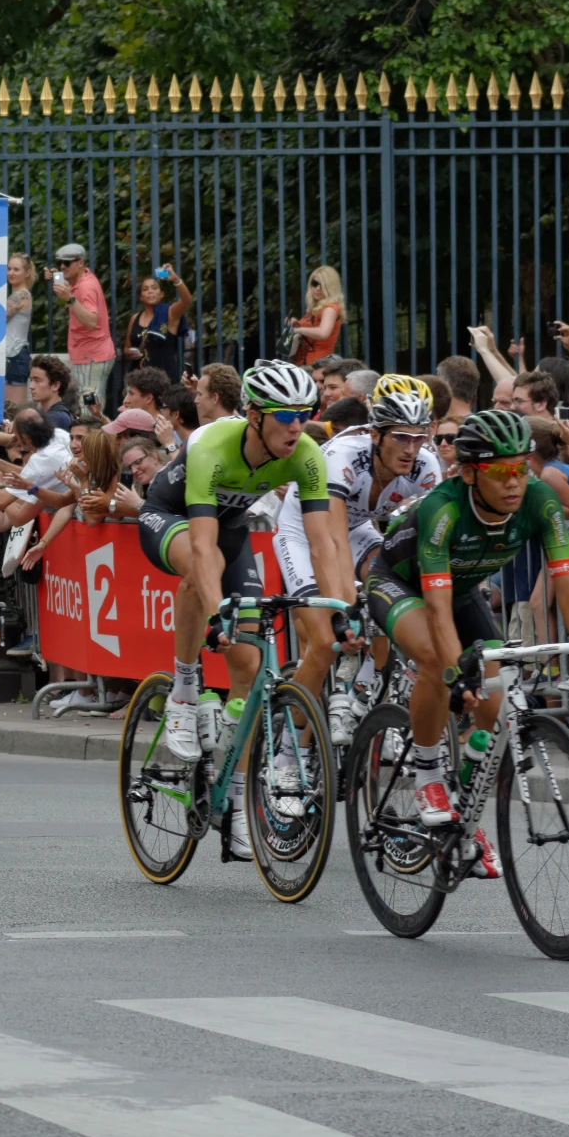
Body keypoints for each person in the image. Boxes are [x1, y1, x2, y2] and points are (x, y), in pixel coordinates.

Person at [363, 409, 569, 866]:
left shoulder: (540, 501)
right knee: (435, 662)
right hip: (401, 585)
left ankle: (465, 793)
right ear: (467, 473)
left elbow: (567, 584)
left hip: (460, 591)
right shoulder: (443, 508)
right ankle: (427, 774)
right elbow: (436, 610)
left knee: (495, 700)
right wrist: (455, 670)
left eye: (521, 468)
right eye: (501, 471)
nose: (515, 482)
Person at [139, 361, 354, 858]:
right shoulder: (212, 445)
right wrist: (217, 616)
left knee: (250, 666)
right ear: (255, 416)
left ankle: (234, 805)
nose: (296, 426)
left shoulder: (306, 453)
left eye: (304, 414)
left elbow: (322, 544)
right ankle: (184, 690)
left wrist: (341, 608)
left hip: (232, 532)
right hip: (170, 518)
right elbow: (201, 542)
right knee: (202, 567)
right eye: (284, 415)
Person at [286, 382, 445, 737]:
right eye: (401, 438)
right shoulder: (343, 455)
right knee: (327, 640)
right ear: (376, 436)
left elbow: (437, 538)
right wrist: (346, 608)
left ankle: (364, 689)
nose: (411, 450)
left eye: (419, 439)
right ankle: (287, 753)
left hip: (356, 528)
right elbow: (332, 542)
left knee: (385, 590)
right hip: (303, 529)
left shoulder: (426, 466)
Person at [48, 244, 115, 408]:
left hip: (91, 354)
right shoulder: (82, 279)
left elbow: (92, 322)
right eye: (60, 263)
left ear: (80, 263)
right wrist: (57, 277)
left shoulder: (86, 287)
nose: (63, 266)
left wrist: (70, 299)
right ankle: (90, 433)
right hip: (91, 353)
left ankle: (90, 434)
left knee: (89, 407)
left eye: (67, 263)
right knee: (90, 403)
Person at [126, 264, 193, 383]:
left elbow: (187, 300)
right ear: (141, 297)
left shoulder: (169, 313)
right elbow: (126, 348)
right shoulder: (135, 318)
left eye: (154, 288)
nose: (150, 292)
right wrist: (131, 353)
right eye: (146, 289)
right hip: (138, 378)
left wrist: (175, 279)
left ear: (161, 294)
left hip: (163, 379)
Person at [291, 266, 347, 365]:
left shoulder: (330, 308)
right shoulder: (317, 308)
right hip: (305, 364)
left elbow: (323, 332)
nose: (318, 288)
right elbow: (311, 330)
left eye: (323, 286)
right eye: (315, 284)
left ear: (331, 288)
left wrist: (299, 330)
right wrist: (297, 323)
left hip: (317, 365)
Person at [3, 253, 37, 391]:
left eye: (16, 269)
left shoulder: (20, 295)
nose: (11, 273)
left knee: (13, 410)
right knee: (9, 410)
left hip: (15, 356)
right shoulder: (19, 294)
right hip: (12, 356)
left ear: (27, 272)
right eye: (9, 268)